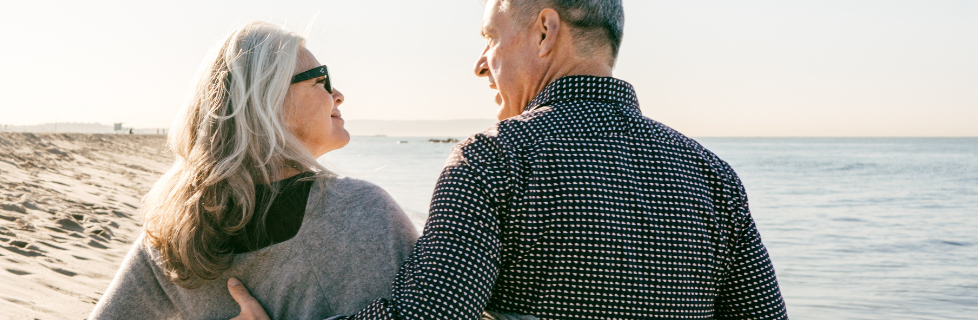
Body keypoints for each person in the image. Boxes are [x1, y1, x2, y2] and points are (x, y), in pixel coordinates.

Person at [227, 0, 789, 319]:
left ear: (544, 31)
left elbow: (429, 316)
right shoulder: (712, 176)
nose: (480, 63)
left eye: (490, 36)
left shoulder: (494, 162)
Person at [88, 22, 418, 319]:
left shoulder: (173, 234)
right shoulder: (359, 210)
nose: (338, 95)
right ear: (268, 102)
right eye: (320, 80)